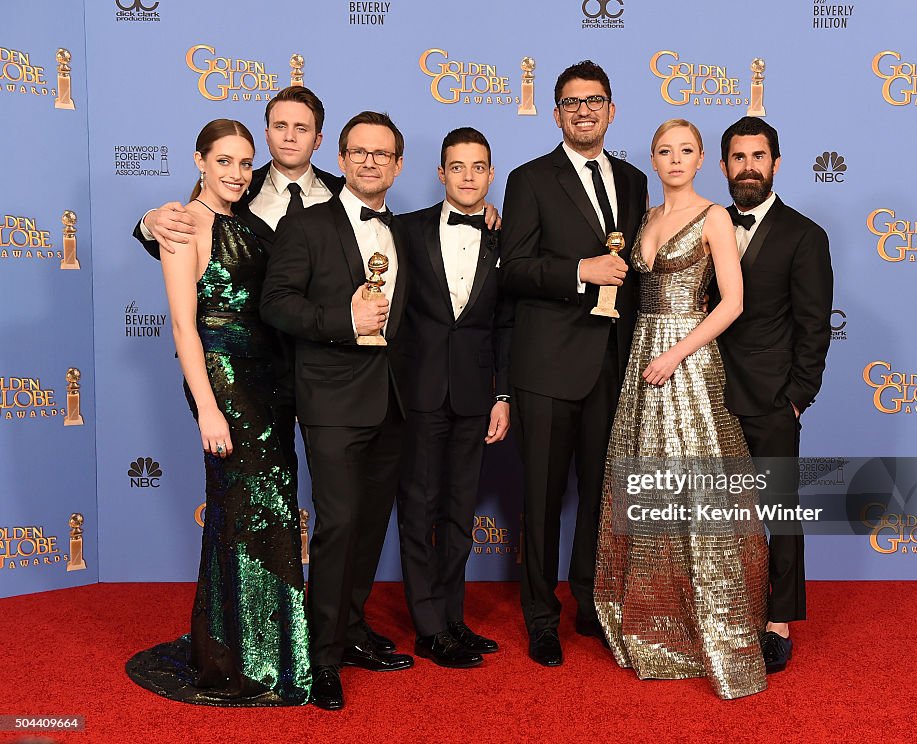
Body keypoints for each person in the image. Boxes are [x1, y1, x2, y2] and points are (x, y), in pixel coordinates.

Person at [131, 87, 400, 660]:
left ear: (320, 138)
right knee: (257, 510)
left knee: (316, 513)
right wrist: (148, 218)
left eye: (302, 128)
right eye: (279, 125)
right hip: (239, 378)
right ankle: (260, 648)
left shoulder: (343, 188)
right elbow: (184, 244)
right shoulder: (235, 190)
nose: (289, 137)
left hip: (319, 379)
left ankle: (311, 636)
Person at [125, 119, 310, 706]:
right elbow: (184, 325)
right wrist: (207, 408)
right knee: (249, 507)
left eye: (245, 163)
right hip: (225, 384)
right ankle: (244, 659)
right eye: (224, 161)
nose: (236, 173)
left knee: (264, 512)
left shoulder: (249, 221)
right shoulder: (183, 225)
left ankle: (263, 650)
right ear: (200, 160)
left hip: (271, 382)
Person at [593, 119, 768, 699]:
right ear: (652, 157)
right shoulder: (644, 217)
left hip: (687, 360)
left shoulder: (714, 216)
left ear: (702, 162)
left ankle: (713, 630)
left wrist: (676, 353)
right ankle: (652, 625)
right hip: (642, 355)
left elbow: (733, 302)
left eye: (686, 151)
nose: (674, 160)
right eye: (664, 151)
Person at [261, 111, 413, 711]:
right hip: (330, 399)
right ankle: (321, 655)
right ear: (342, 159)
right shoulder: (306, 226)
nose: (372, 162)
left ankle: (351, 632)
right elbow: (275, 304)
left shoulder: (405, 229)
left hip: (394, 400)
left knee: (371, 525)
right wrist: (341, 323)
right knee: (338, 525)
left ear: (398, 166)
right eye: (360, 152)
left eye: (383, 154)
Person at [500, 60, 647, 667]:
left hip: (614, 363)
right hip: (547, 364)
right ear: (557, 113)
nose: (583, 110)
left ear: (611, 109)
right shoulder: (529, 178)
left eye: (594, 100)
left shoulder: (637, 180)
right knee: (541, 496)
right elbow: (512, 268)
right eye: (571, 102)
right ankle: (540, 615)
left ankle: (588, 602)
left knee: (599, 494)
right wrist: (578, 272)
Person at [715, 116, 833, 673]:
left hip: (771, 399)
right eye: (738, 158)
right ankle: (718, 611)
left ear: (776, 164)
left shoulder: (804, 235)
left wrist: (796, 397)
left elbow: (814, 326)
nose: (748, 168)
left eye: (758, 157)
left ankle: (778, 619)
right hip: (709, 391)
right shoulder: (706, 223)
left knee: (779, 511)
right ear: (723, 166)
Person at [392, 127, 513, 669]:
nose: (468, 176)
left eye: (478, 166)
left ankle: (453, 616)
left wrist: (502, 394)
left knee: (460, 513)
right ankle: (427, 626)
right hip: (416, 392)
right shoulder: (405, 230)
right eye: (457, 166)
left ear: (491, 174)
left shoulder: (506, 238)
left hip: (475, 394)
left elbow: (507, 325)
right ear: (441, 173)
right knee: (418, 509)